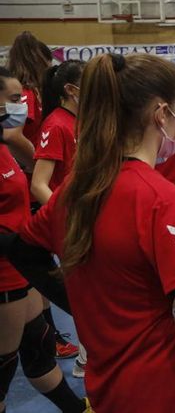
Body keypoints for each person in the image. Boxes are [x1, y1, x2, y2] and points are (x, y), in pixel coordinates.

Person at [1, 53, 175, 412]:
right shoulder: (162, 200)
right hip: (172, 391)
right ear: (161, 115)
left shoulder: (76, 190)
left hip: (109, 388)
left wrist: (81, 304)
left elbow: (23, 251)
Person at [0, 67, 86, 413]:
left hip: (22, 265)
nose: (22, 105)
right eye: (13, 99)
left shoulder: (5, 147)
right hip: (5, 272)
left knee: (38, 347)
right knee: (4, 366)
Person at [6, 32, 77, 360]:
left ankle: (44, 333)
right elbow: (13, 134)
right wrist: (39, 158)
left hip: (32, 180)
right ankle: (46, 335)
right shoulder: (27, 96)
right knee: (41, 261)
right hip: (35, 183)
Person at [31, 60, 84, 205]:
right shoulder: (55, 125)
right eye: (90, 85)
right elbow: (38, 185)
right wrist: (63, 216)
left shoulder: (81, 121)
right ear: (71, 90)